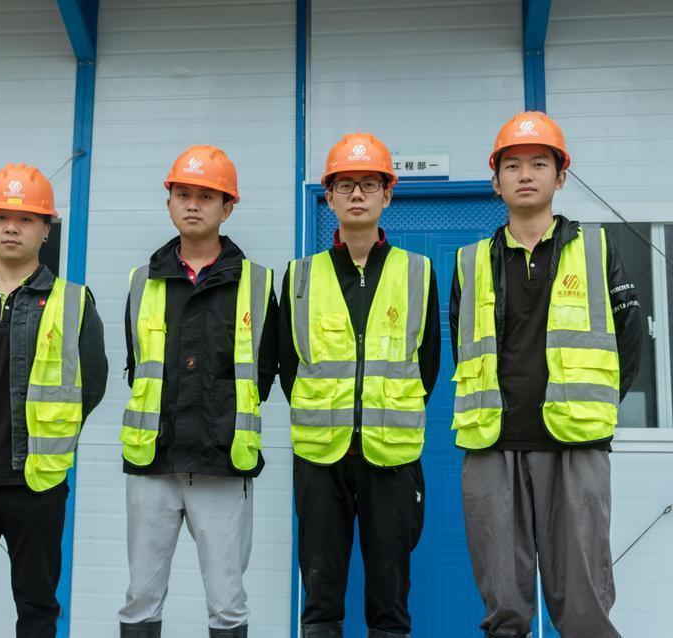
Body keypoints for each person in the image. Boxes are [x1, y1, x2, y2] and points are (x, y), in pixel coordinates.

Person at [450, 111, 642, 638]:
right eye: (512, 165)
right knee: (503, 610)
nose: (525, 174)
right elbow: (460, 347)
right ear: (496, 181)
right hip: (492, 445)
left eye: (539, 163)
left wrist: (594, 406)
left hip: (575, 445)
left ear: (560, 177)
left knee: (584, 607)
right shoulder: (469, 262)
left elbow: (628, 341)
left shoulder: (597, 249)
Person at [0, 162, 108, 637]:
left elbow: (91, 386)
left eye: (26, 218)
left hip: (34, 483)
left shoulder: (73, 302)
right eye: (1, 217)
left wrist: (50, 434)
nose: (11, 227)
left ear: (46, 229)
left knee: (36, 607)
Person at [279, 132, 441, 638]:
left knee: (390, 602)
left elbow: (428, 365)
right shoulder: (300, 276)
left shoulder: (418, 272)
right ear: (328, 196)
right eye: (344, 185)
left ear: (387, 195)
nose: (356, 194)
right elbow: (288, 365)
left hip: (391, 457)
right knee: (321, 601)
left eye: (368, 184)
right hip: (320, 458)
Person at [117, 145, 278, 638]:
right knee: (140, 598)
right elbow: (136, 365)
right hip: (155, 459)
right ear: (169, 202)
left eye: (206, 196)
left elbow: (268, 368)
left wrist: (222, 413)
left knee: (227, 603)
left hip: (222, 460)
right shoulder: (142, 282)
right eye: (183, 194)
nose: (192, 204)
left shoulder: (256, 283)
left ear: (227, 208)